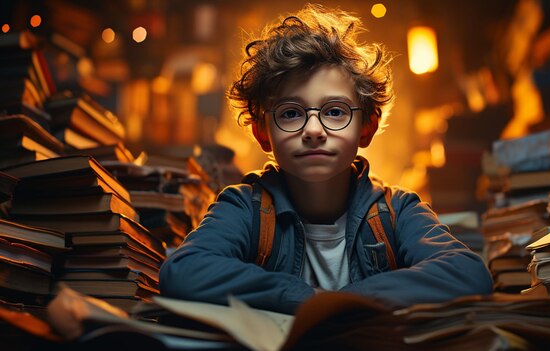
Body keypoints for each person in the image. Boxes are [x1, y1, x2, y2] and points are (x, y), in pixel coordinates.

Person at [159, 4, 493, 314]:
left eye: (335, 112)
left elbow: (466, 272)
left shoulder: (396, 211)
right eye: (291, 114)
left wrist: (341, 302)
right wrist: (304, 298)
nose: (314, 130)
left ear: (366, 128)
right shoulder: (246, 207)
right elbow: (183, 271)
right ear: (263, 132)